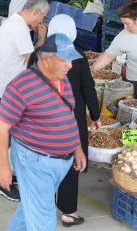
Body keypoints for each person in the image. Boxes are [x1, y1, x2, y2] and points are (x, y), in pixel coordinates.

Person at [0, 33, 87, 231]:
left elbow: (69, 114)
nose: (70, 66)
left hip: (62, 161)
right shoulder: (21, 86)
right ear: (46, 59)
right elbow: (1, 126)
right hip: (35, 162)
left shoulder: (63, 79)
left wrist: (77, 148)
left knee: (30, 210)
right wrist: (3, 167)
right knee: (44, 222)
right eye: (65, 60)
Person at [26, 15, 101, 227]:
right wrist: (95, 116)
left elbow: (28, 84)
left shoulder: (38, 54)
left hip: (41, 116)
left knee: (43, 162)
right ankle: (69, 212)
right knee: (70, 163)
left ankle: (43, 207)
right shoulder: (78, 56)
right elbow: (88, 88)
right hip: (70, 118)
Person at [0, 0, 49, 200]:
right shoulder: (20, 28)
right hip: (13, 92)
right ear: (36, 12)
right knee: (15, 140)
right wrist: (42, 38)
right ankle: (5, 183)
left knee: (9, 137)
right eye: (42, 18)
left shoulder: (10, 21)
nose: (40, 23)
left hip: (5, 87)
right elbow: (33, 62)